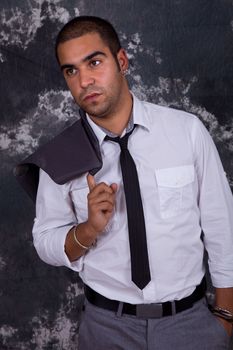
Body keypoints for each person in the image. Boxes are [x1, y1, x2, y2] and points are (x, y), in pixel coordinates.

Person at [29, 16, 233, 349]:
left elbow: (222, 225)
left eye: (94, 62)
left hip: (191, 324)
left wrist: (225, 316)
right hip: (107, 327)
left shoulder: (186, 131)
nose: (84, 81)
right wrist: (87, 230)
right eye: (71, 71)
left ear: (121, 61)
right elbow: (44, 240)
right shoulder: (62, 155)